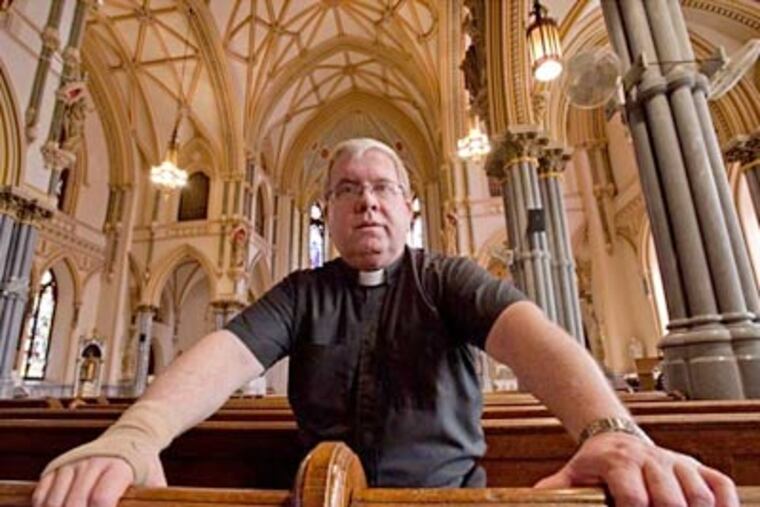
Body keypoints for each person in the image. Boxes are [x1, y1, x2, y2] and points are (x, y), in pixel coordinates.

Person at [33, 138, 737, 507]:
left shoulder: (449, 278)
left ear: (408, 206)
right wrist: (133, 434)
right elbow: (221, 354)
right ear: (328, 213)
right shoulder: (301, 291)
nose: (366, 203)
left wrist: (613, 435)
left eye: (382, 189)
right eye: (347, 191)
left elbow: (538, 341)